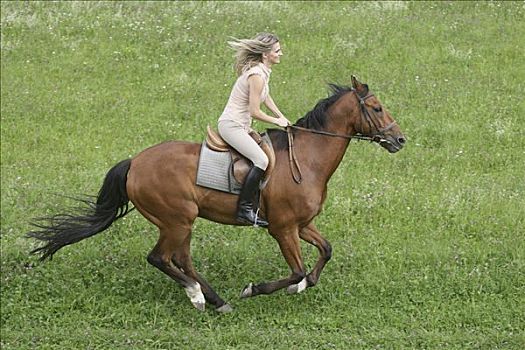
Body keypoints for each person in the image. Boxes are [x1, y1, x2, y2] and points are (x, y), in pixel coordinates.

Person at [218, 32, 290, 227]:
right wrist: (276, 121)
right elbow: (255, 111)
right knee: (261, 159)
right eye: (277, 51)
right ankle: (244, 209)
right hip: (232, 126)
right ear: (265, 55)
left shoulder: (263, 72)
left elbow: (265, 97)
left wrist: (282, 116)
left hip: (241, 125)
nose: (280, 53)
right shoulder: (256, 75)